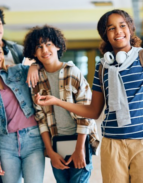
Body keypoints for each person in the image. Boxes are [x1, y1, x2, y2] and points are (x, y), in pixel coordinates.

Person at [34, 0, 143, 183]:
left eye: (122, 25)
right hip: (112, 144)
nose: (118, 31)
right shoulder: (103, 67)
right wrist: (57, 101)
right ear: (105, 35)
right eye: (111, 28)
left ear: (130, 28)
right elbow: (93, 111)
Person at [23, 25, 100, 183]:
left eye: (48, 44)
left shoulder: (72, 72)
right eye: (39, 46)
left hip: (80, 140)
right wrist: (50, 152)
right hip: (56, 143)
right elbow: (41, 119)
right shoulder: (37, 80)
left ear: (58, 46)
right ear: (34, 52)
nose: (45, 49)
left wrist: (79, 150)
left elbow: (86, 113)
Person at [0, 38, 45, 183]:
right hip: (6, 143)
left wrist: (34, 66)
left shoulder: (17, 71)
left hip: (33, 139)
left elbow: (43, 65)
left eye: (0, 52)